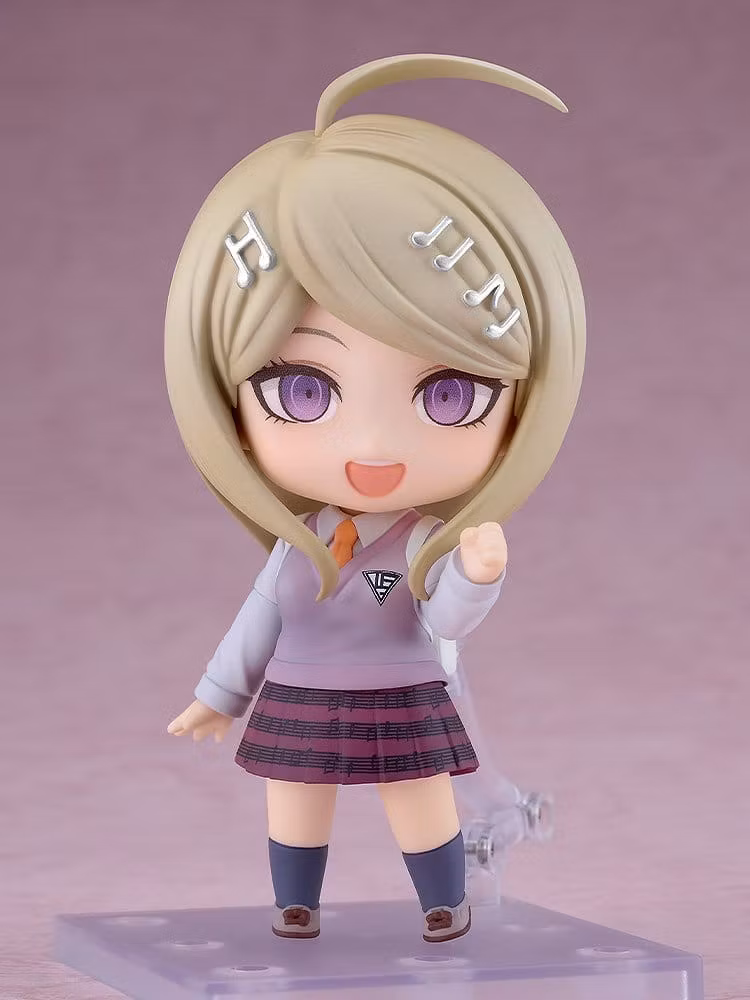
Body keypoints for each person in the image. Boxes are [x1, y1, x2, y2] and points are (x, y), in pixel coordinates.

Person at [164, 53, 585, 943]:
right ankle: (295, 902)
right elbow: (257, 619)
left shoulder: (420, 543)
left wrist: (476, 574)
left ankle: (443, 900)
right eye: (303, 390)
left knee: (417, 794)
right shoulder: (300, 543)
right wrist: (218, 693)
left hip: (400, 687)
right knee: (294, 795)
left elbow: (441, 617)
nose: (371, 447)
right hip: (301, 687)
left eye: (449, 394)